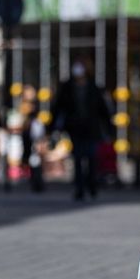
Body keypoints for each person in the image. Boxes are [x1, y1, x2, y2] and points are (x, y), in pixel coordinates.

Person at [52, 57, 111, 200]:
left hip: (91, 128)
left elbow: (103, 109)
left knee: (91, 158)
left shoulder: (93, 87)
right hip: (75, 128)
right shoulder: (68, 87)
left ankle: (92, 186)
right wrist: (55, 126)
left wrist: (108, 128)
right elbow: (58, 106)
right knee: (78, 158)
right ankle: (79, 187)